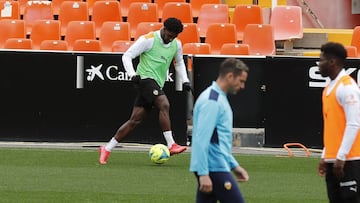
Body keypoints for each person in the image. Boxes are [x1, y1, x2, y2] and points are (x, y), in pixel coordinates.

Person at [99, 17, 192, 164]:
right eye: (169, 35)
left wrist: (185, 80)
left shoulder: (176, 44)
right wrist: (132, 75)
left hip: (157, 83)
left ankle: (107, 148)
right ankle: (171, 144)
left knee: (134, 120)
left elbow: (179, 63)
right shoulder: (148, 39)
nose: (170, 39)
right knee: (164, 104)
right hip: (144, 80)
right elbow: (127, 56)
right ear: (164, 29)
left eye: (173, 37)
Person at [190, 58, 250, 203]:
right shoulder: (212, 101)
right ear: (230, 76)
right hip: (213, 168)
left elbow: (218, 140)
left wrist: (233, 165)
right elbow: (201, 140)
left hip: (214, 165)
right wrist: (204, 173)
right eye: (241, 81)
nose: (242, 86)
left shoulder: (217, 98)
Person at [317, 42, 360, 202]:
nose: (318, 64)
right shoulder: (329, 89)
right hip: (334, 160)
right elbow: (333, 127)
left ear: (332, 62)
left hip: (349, 161)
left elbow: (353, 123)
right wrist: (325, 155)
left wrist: (341, 157)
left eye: (321, 60)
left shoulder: (347, 88)